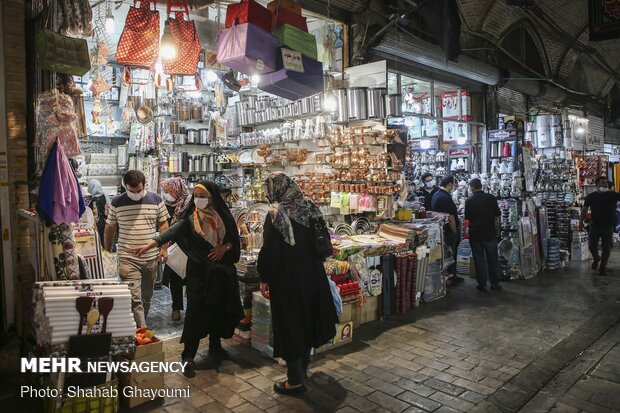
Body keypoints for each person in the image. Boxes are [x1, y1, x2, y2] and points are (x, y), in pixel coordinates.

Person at [129, 181, 243, 378]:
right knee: (195, 313)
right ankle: (188, 355)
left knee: (217, 309)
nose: (198, 199)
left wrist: (225, 248)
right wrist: (149, 245)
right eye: (196, 195)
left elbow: (233, 239)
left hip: (220, 275)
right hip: (198, 275)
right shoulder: (191, 219)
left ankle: (215, 347)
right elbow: (170, 232)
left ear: (212, 197)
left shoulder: (224, 216)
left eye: (202, 195)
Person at [258, 172, 338, 395]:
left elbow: (270, 252)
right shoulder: (310, 207)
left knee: (291, 325)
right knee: (307, 321)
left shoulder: (276, 214)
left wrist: (264, 277)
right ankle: (302, 368)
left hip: (288, 279)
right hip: (313, 275)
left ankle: (294, 380)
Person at [104, 170, 169, 328]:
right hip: (128, 258)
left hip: (151, 257)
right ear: (124, 186)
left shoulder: (155, 199)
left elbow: (164, 225)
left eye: (139, 191)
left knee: (147, 296)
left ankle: (140, 325)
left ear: (144, 185)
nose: (135, 194)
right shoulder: (117, 202)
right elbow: (110, 227)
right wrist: (107, 251)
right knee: (134, 298)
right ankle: (140, 331)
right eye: (131, 191)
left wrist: (164, 248)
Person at [160, 177, 192, 321]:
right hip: (172, 246)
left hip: (189, 246)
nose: (166, 194)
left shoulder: (190, 203)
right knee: (175, 279)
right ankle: (176, 307)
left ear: (176, 189)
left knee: (191, 277)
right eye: (165, 191)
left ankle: (193, 307)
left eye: (168, 191)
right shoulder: (166, 204)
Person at [465, 178, 502, 291]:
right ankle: (495, 284)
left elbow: (467, 218)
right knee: (493, 259)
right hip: (489, 233)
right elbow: (497, 215)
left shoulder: (469, 201)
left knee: (479, 259)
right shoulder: (491, 198)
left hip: (475, 234)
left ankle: (482, 284)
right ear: (481, 186)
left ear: (471, 188)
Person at [581, 176, 620, 275]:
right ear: (597, 185)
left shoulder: (613, 195)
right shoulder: (591, 196)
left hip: (608, 225)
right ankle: (596, 258)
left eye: (606, 183)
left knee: (606, 247)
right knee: (592, 246)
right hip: (595, 224)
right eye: (603, 183)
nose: (605, 184)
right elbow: (585, 209)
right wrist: (581, 221)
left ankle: (602, 267)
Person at [431, 175, 464, 285]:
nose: (454, 187)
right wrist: (455, 232)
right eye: (453, 184)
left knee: (447, 255)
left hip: (442, 230)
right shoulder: (445, 197)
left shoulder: (437, 194)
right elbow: (450, 218)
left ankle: (451, 276)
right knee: (450, 254)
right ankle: (450, 277)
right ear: (449, 184)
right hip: (448, 231)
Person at [87, 179, 110, 245]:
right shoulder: (104, 194)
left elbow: (94, 214)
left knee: (99, 241)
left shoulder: (95, 199)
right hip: (106, 221)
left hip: (99, 223)